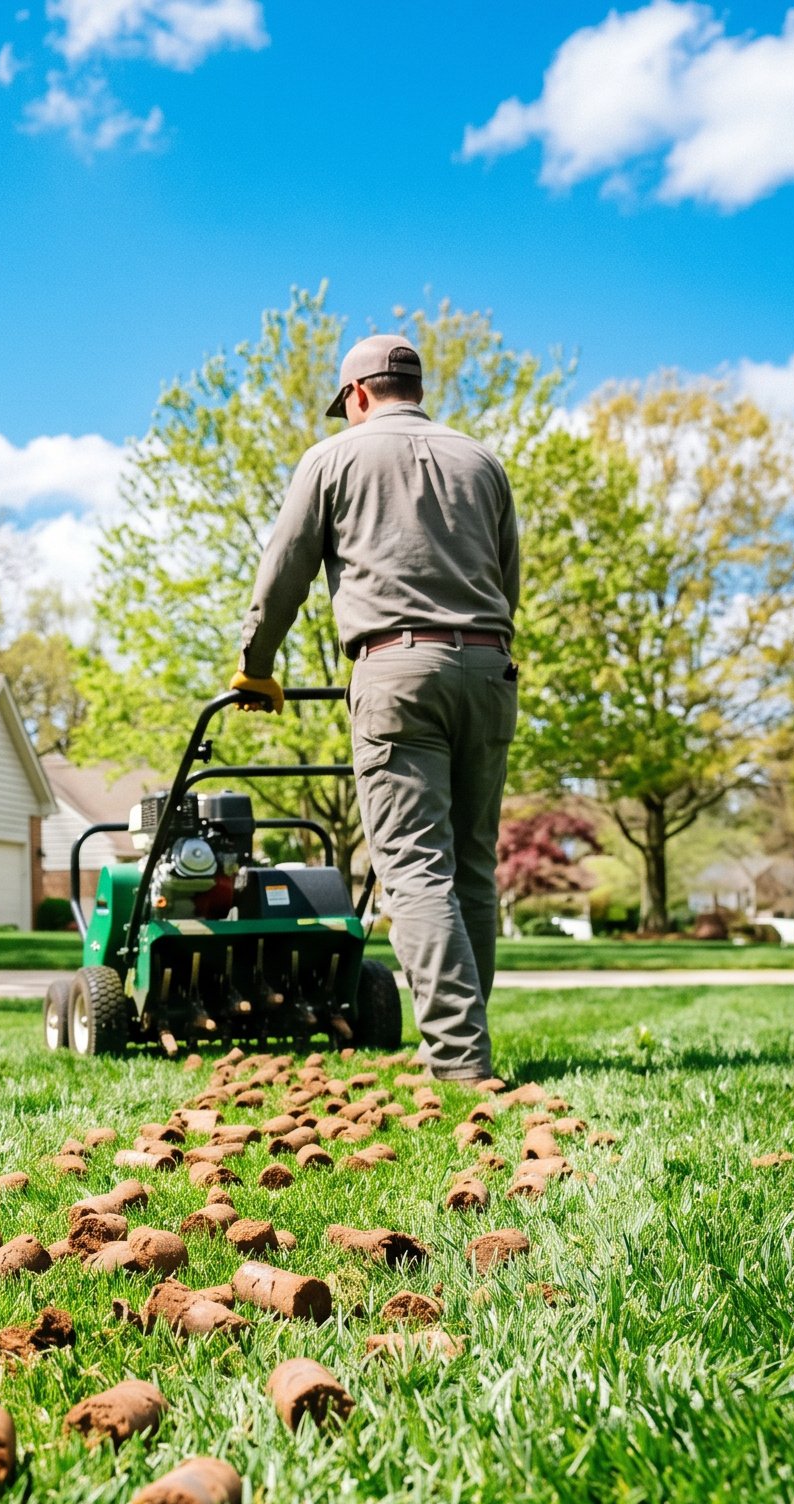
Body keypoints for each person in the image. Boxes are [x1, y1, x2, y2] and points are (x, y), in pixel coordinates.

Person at [228, 332, 520, 1083]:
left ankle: (457, 1059)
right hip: (490, 667)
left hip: (396, 669)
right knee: (473, 869)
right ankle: (459, 1041)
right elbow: (507, 576)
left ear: (356, 396)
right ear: (415, 389)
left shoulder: (333, 458)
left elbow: (282, 577)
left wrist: (256, 669)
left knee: (416, 871)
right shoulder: (482, 460)